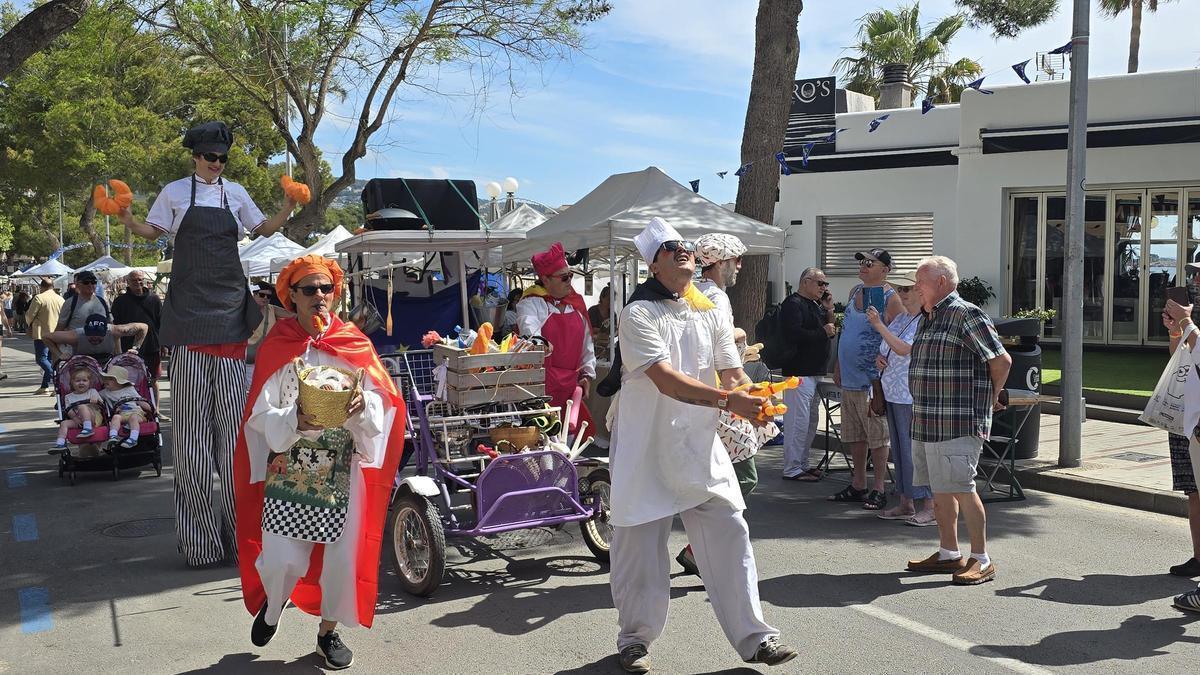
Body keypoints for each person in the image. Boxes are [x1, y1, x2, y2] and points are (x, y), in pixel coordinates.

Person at [608, 217, 796, 673]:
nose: (683, 251)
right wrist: (727, 398)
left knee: (731, 530)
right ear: (653, 264)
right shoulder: (637, 314)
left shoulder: (711, 309)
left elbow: (731, 371)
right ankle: (634, 640)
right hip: (644, 447)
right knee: (639, 550)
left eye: (687, 245)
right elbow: (667, 381)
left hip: (698, 444)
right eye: (671, 247)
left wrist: (753, 395)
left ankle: (756, 638)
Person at [118, 121, 299, 568]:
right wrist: (125, 218)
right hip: (189, 319)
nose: (216, 164)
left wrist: (289, 205)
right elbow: (150, 232)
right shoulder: (175, 192)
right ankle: (200, 546)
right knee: (193, 443)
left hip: (229, 313)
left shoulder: (235, 192)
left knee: (237, 442)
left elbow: (264, 229)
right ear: (195, 156)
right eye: (209, 156)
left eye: (221, 157)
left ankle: (243, 541)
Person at [234, 255, 406, 670]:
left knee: (343, 560)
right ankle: (274, 607)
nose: (319, 297)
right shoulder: (278, 344)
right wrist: (295, 419)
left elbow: (383, 402)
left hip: (344, 467)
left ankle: (328, 634)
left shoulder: (353, 341)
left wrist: (366, 406)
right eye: (309, 290)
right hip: (292, 463)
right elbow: (258, 414)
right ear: (291, 296)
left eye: (326, 289)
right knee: (283, 558)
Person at [674, 233, 778, 578]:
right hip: (720, 397)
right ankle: (704, 548)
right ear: (719, 263)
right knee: (740, 476)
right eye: (735, 260)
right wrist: (738, 344)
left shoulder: (697, 291)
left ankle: (702, 548)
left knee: (722, 475)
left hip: (708, 395)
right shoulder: (715, 295)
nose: (740, 267)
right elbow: (718, 347)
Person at [905, 256, 1010, 586]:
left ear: (940, 282)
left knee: (962, 488)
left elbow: (1001, 360)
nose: (915, 288)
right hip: (927, 420)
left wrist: (992, 397)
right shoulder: (929, 317)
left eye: (920, 282)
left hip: (958, 420)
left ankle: (982, 559)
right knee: (940, 490)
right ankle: (949, 553)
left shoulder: (966, 313)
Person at [830, 248, 903, 510]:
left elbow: (900, 335)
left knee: (877, 435)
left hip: (872, 381)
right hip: (849, 375)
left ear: (885, 270)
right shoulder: (853, 292)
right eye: (862, 262)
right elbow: (846, 330)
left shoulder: (890, 297)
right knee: (854, 434)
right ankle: (858, 483)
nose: (863, 266)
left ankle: (879, 488)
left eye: (870, 263)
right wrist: (838, 364)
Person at [867, 269, 935, 526]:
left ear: (919, 291)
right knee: (900, 450)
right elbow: (889, 347)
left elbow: (905, 348)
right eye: (899, 289)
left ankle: (928, 504)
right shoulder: (901, 319)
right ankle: (906, 501)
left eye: (906, 289)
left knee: (915, 451)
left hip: (911, 394)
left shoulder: (925, 320)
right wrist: (880, 358)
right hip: (895, 392)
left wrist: (879, 326)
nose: (901, 294)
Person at [517, 242, 596, 433]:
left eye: (571, 275)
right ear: (545, 280)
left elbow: (588, 345)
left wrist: (587, 375)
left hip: (570, 386)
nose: (570, 281)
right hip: (541, 387)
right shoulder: (531, 304)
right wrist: (538, 342)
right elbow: (529, 329)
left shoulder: (575, 305)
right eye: (564, 277)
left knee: (569, 441)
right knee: (543, 441)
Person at [1162, 265, 1200, 612]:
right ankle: (1198, 557)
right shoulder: (1192, 313)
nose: (1197, 281)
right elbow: (1180, 359)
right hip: (1186, 417)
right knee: (1193, 490)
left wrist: (1186, 323)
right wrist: (1176, 330)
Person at [779, 267, 836, 482]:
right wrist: (822, 331)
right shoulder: (792, 304)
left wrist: (829, 309)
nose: (824, 288)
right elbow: (793, 334)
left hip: (814, 371)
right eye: (820, 283)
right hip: (799, 371)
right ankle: (792, 467)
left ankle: (802, 463)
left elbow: (828, 330)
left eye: (825, 284)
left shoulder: (815, 305)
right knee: (797, 421)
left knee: (811, 420)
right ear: (805, 282)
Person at [112, 269, 167, 418]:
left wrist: (163, 344)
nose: (138, 282)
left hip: (152, 345)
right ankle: (135, 411)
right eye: (135, 280)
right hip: (129, 347)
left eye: (140, 279)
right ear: (128, 282)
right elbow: (116, 327)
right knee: (129, 381)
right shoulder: (120, 301)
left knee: (153, 380)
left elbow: (161, 323)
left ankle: (156, 410)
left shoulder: (154, 299)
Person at [246, 280, 294, 389]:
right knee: (251, 390)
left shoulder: (271, 309)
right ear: (254, 294)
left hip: (265, 359)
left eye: (268, 296)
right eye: (262, 295)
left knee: (264, 389)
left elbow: (292, 316)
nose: (265, 298)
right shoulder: (245, 309)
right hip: (248, 360)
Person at [43, 315, 147, 362]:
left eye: (99, 337)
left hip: (108, 363)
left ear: (106, 332)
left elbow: (143, 327)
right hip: (83, 366)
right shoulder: (75, 336)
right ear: (85, 331)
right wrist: (60, 354)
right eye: (91, 336)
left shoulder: (116, 330)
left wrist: (136, 347)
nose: (95, 340)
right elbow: (46, 337)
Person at [99, 365, 154, 450]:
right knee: (115, 417)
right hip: (122, 414)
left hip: (136, 413)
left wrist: (148, 407)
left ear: (120, 382)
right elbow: (96, 397)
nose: (106, 380)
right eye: (106, 378)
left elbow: (138, 399)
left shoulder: (129, 389)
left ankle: (133, 439)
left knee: (133, 418)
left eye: (110, 379)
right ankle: (113, 436)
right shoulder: (105, 393)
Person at [51, 367, 105, 453]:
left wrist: (95, 401)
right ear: (72, 383)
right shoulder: (68, 397)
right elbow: (69, 410)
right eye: (77, 381)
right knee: (64, 423)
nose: (81, 383)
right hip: (78, 419)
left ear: (89, 382)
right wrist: (75, 418)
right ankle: (60, 443)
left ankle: (88, 429)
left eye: (84, 380)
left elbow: (101, 405)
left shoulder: (92, 392)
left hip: (94, 418)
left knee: (82, 407)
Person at [25, 278, 65, 394]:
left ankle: (56, 380)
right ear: (52, 286)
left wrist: (29, 323)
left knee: (41, 358)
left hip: (41, 332)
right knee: (50, 359)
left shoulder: (39, 298)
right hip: (56, 333)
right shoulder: (60, 299)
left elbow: (30, 315)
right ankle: (45, 385)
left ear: (41, 287)